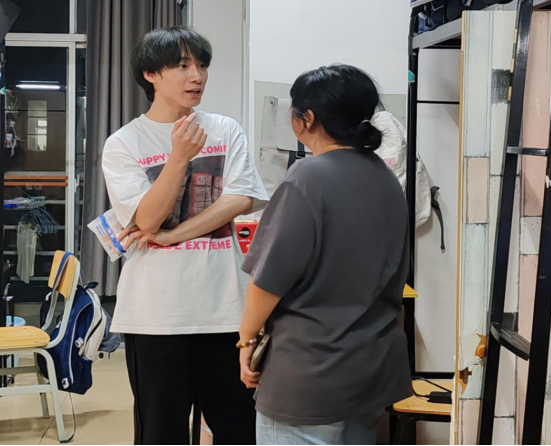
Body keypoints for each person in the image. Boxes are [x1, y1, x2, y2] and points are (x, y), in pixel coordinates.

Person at [102, 27, 269, 445]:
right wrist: (178, 158)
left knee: (240, 429)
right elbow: (147, 218)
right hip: (156, 315)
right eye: (181, 66)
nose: (196, 76)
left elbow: (241, 197)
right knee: (161, 432)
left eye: (202, 65)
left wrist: (173, 236)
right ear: (151, 74)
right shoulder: (124, 143)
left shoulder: (225, 128)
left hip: (226, 308)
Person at [238, 65, 413, 446]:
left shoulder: (307, 177)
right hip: (371, 369)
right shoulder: (385, 178)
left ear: (307, 118)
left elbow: (268, 281)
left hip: (310, 375)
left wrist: (246, 340)